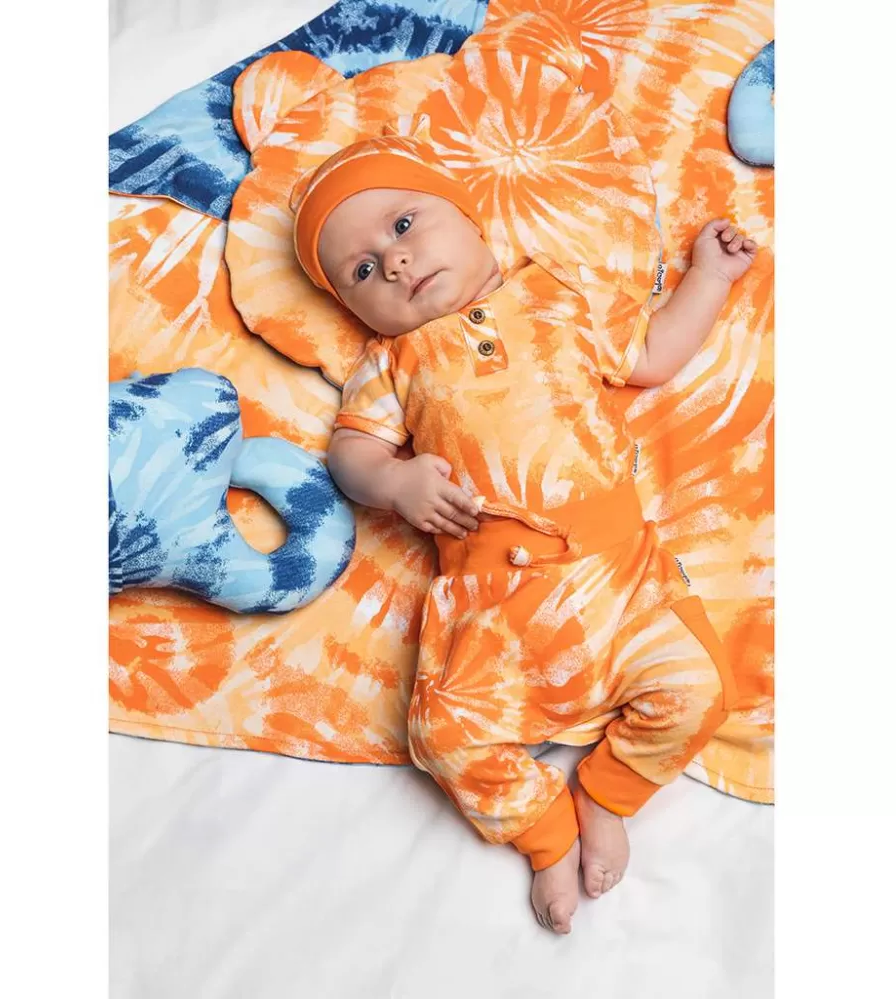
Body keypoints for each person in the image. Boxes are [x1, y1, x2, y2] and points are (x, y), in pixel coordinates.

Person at [292, 127, 756, 934]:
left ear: (470, 218)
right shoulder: (394, 363)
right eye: (361, 270)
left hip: (618, 577)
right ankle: (543, 831)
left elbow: (651, 351)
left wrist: (708, 277)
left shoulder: (557, 295)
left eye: (403, 224)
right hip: (491, 613)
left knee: (699, 689)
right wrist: (394, 481)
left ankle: (606, 792)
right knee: (439, 735)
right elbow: (351, 452)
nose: (394, 261)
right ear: (349, 305)